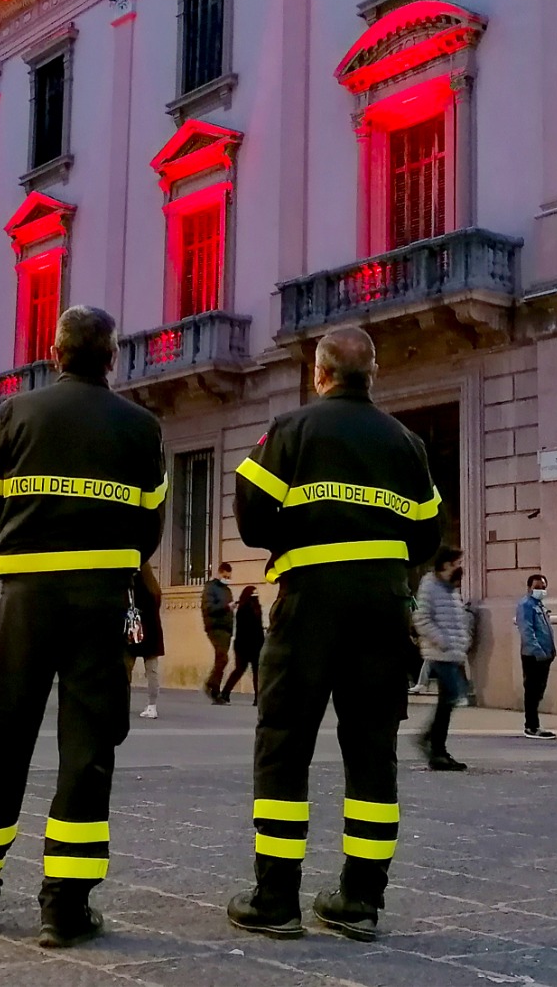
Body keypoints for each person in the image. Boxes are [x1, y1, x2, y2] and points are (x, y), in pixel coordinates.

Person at [0, 305, 165, 949]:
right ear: (112, 357)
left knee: (4, 736)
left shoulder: (16, 415)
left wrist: (27, 552)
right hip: (100, 599)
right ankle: (64, 907)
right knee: (89, 748)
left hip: (26, 598)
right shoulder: (141, 428)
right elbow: (149, 524)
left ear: (54, 350)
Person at [227, 325, 441, 943]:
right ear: (372, 376)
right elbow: (427, 535)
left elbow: (250, 517)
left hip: (308, 607)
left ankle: (276, 900)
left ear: (320, 374)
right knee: (373, 753)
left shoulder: (291, 431)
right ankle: (360, 901)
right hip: (383, 610)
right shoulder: (407, 443)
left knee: (284, 746)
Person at [412, 546, 472, 771]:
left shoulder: (450, 589)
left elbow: (458, 620)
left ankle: (434, 744)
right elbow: (422, 618)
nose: (460, 568)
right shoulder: (430, 585)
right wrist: (442, 641)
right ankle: (436, 748)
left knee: (451, 699)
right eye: (457, 563)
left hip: (454, 652)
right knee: (451, 697)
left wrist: (462, 641)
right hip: (440, 652)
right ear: (446, 564)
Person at [517, 574, 557, 739]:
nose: (540, 590)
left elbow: (546, 630)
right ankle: (531, 726)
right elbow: (527, 631)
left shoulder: (540, 605)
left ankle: (534, 724)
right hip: (533, 655)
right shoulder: (526, 605)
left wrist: (551, 650)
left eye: (543, 587)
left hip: (545, 654)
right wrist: (538, 651)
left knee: (538, 690)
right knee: (532, 690)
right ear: (529, 588)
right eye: (537, 587)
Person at [126, 563, 165, 719]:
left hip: (135, 630)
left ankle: (122, 703)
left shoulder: (132, 584)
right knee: (152, 671)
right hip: (153, 632)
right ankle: (152, 706)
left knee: (126, 668)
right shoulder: (154, 588)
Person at [223, 585, 265, 702]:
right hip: (250, 644)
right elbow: (256, 628)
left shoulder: (245, 608)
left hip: (245, 645)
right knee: (252, 671)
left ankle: (226, 693)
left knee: (242, 670)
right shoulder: (250, 609)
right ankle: (257, 698)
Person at [201, 562, 235, 703]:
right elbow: (208, 608)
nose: (227, 578)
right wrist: (226, 607)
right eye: (225, 576)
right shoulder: (210, 588)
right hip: (215, 627)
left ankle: (215, 693)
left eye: (229, 576)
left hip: (226, 629)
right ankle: (210, 684)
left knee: (220, 659)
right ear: (219, 573)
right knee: (223, 658)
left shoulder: (227, 590)